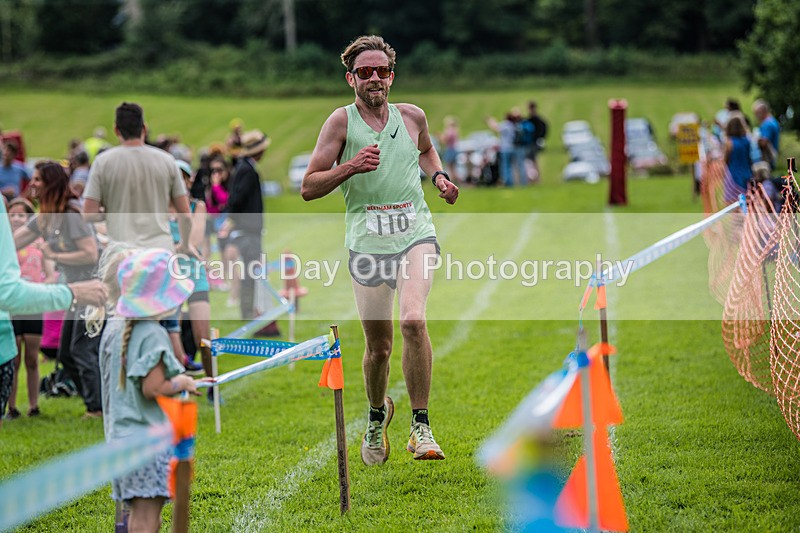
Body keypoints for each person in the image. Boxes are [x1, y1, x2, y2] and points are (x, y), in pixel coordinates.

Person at [302, 35, 459, 465]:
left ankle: (420, 427)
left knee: (413, 320)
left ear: (392, 76)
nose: (375, 78)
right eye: (365, 72)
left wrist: (439, 177)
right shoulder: (341, 123)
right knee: (379, 348)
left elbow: (427, 150)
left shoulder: (412, 116)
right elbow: (308, 186)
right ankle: (376, 415)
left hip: (415, 234)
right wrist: (351, 166)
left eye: (382, 71)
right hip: (367, 243)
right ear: (350, 78)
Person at [99, 248, 205, 532]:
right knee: (147, 520)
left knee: (140, 517)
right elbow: (153, 387)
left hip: (120, 437)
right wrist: (182, 382)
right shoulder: (153, 334)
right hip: (146, 443)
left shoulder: (118, 329)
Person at [0, 192, 106, 429]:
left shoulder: (68, 215)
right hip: (72, 293)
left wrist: (54, 258)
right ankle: (96, 403)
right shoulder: (45, 218)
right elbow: (7, 290)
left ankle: (97, 405)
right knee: (68, 353)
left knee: (78, 350)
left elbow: (90, 253)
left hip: (89, 290)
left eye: (38, 179)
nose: (32, 184)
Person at [223, 129, 271, 323]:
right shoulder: (247, 171)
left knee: (251, 272)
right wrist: (235, 220)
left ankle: (251, 311)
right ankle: (248, 313)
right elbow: (237, 199)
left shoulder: (243, 167)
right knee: (250, 273)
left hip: (247, 229)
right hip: (248, 230)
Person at [5, 198, 46, 419]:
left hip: (32, 304)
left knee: (32, 357)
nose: (16, 219)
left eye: (21, 215)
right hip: (11, 305)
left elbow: (50, 274)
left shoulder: (39, 244)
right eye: (12, 214)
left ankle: (34, 405)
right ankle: (11, 407)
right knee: (14, 358)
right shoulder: (4, 245)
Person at [724, 114, 752, 201]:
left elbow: (726, 160)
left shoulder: (729, 142)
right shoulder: (747, 141)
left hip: (733, 174)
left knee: (733, 202)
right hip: (747, 173)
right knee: (746, 201)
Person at [752, 99, 780, 170]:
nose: (756, 116)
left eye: (756, 113)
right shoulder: (773, 120)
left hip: (767, 158)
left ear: (762, 112)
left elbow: (764, 142)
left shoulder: (767, 124)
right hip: (773, 156)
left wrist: (754, 139)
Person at [528, 101, 548, 183]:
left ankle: (536, 178)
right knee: (533, 161)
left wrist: (539, 138)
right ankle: (534, 178)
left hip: (533, 142)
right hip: (534, 142)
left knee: (533, 161)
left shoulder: (534, 120)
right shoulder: (536, 119)